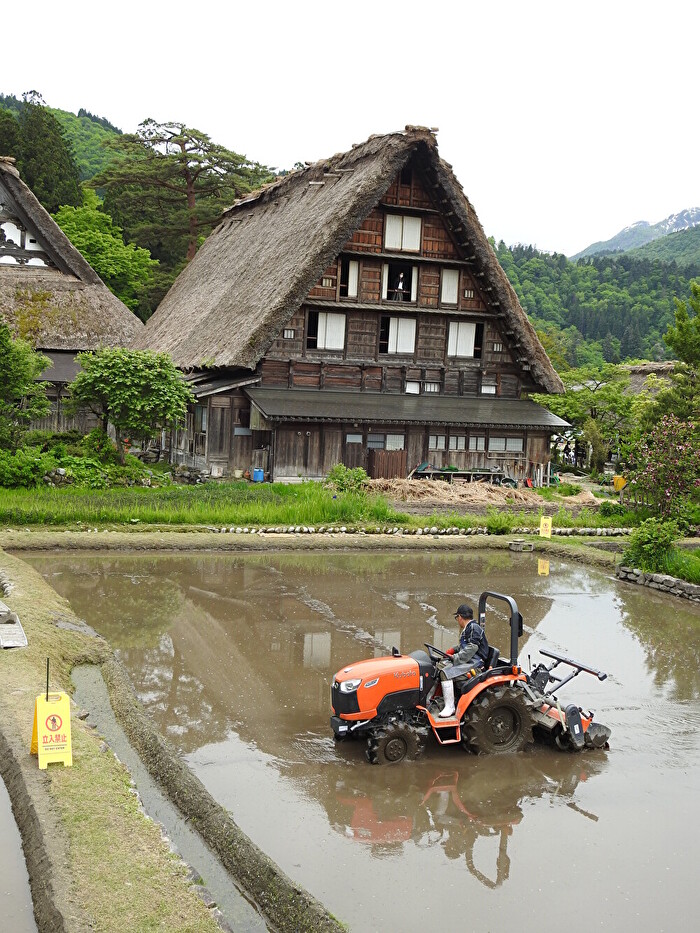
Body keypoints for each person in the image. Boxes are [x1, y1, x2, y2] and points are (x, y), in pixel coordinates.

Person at [438, 604, 490, 718]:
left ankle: (450, 707)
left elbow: (472, 648)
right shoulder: (469, 628)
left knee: (445, 673)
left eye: (457, 618)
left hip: (475, 664)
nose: (457, 621)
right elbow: (464, 646)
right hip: (469, 660)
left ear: (460, 617)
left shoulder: (474, 628)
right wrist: (453, 650)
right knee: (439, 665)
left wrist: (456, 658)